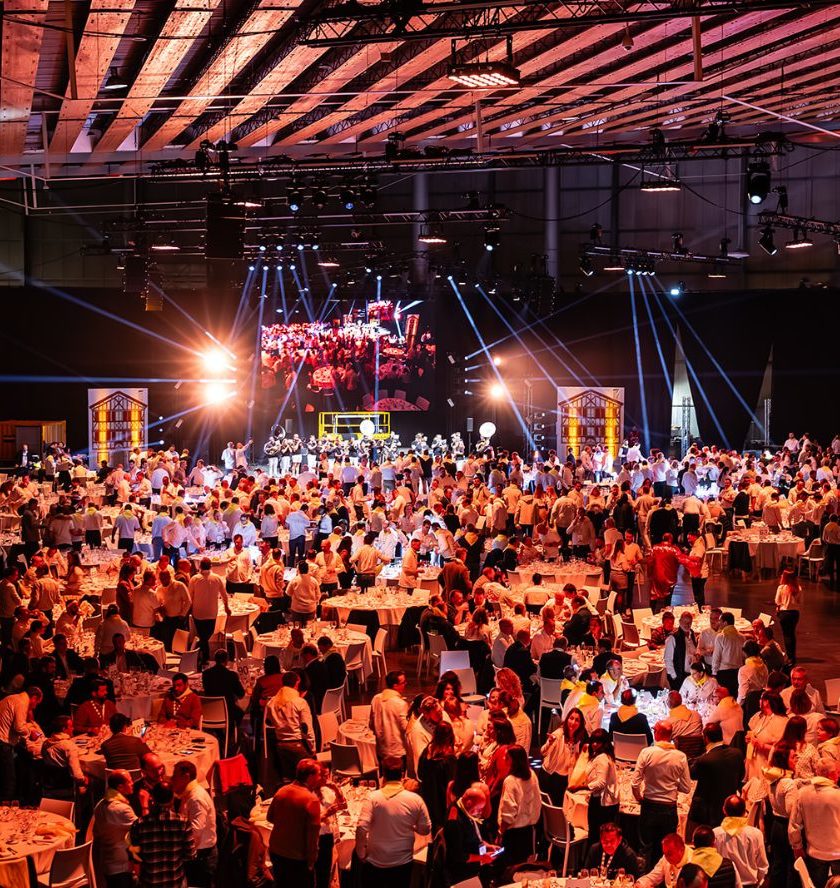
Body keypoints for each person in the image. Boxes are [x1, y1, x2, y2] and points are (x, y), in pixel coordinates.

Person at [355, 755, 432, 887]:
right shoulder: (415, 799)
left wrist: (361, 853)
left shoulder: (372, 797)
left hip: (375, 863)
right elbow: (426, 829)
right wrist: (413, 827)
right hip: (402, 863)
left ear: (383, 775)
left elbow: (361, 827)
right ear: (402, 774)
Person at [631, 720, 692, 867]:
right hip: (669, 808)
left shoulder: (647, 753)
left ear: (657, 733)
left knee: (645, 849)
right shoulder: (680, 756)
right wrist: (672, 784)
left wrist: (639, 798)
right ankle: (665, 878)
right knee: (667, 850)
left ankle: (644, 877)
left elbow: (634, 783)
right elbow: (686, 788)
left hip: (649, 805)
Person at [129, 783, 196, 888]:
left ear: (153, 799)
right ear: (172, 799)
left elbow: (135, 858)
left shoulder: (138, 824)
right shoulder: (183, 822)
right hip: (175, 881)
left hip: (149, 882)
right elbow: (190, 855)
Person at [789, 758, 840, 886]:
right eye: (837, 772)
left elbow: (794, 825)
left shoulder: (802, 793)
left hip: (814, 854)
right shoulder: (838, 795)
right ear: (831, 774)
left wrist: (797, 847)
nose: (838, 775)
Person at [687, 723, 745, 833]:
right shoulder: (737, 754)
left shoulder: (704, 760)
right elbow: (741, 775)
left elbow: (692, 775)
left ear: (706, 738)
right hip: (730, 806)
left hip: (708, 811)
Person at [171, 759, 217, 888]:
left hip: (201, 856)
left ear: (186, 777)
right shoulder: (189, 794)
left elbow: (195, 831)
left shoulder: (196, 798)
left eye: (175, 776)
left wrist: (183, 853)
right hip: (197, 854)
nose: (172, 780)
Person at [572, 728, 618, 845]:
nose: (594, 744)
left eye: (598, 742)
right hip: (601, 800)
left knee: (597, 836)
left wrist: (580, 788)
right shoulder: (601, 755)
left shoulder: (602, 758)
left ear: (604, 743)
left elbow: (601, 783)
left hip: (603, 804)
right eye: (593, 741)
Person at [92, 769, 138, 888]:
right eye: (129, 781)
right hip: (120, 865)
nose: (133, 783)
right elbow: (142, 829)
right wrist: (144, 805)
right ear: (120, 787)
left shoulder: (100, 804)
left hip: (106, 861)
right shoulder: (121, 809)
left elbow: (96, 833)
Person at [497, 745, 541, 866]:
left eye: (507, 757)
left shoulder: (511, 781)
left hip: (514, 834)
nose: (504, 759)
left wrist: (501, 832)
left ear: (514, 760)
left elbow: (508, 812)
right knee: (525, 867)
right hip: (529, 831)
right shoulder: (532, 775)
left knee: (512, 869)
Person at [712, 794, 768, 888]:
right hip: (749, 885)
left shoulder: (715, 833)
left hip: (724, 884)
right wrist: (758, 882)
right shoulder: (756, 834)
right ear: (744, 812)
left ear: (724, 810)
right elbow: (762, 865)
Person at [268, 671, 315, 781]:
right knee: (306, 780)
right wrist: (312, 748)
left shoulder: (271, 703)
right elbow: (306, 729)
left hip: (280, 745)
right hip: (298, 744)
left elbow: (270, 722)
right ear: (297, 683)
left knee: (287, 779)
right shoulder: (300, 702)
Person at [539, 707, 588, 805]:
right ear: (567, 719)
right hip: (550, 776)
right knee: (549, 808)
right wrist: (549, 743)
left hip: (563, 778)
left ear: (580, 724)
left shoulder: (577, 739)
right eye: (571, 718)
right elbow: (543, 752)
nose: (573, 722)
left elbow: (572, 760)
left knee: (561, 806)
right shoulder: (558, 735)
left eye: (577, 720)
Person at [189, 557, 230, 663]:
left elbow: (190, 596)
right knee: (206, 635)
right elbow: (224, 595)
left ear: (200, 566)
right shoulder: (217, 578)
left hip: (198, 612)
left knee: (202, 635)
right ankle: (204, 656)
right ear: (211, 566)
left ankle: (202, 656)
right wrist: (226, 607)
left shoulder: (194, 579)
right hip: (212, 612)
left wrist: (189, 609)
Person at [418, 722, 458, 830]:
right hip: (442, 799)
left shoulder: (426, 752)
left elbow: (420, 773)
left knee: (433, 827)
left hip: (427, 796)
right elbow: (452, 782)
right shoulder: (448, 758)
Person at [201, 648, 246, 728]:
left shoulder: (206, 674)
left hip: (209, 710)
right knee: (240, 713)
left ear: (215, 660)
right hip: (227, 711)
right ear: (226, 660)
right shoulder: (232, 675)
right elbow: (241, 694)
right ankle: (231, 732)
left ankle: (220, 734)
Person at [371, 670, 409, 762]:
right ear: (395, 686)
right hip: (397, 751)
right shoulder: (401, 703)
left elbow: (371, 724)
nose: (406, 684)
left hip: (381, 749)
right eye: (403, 682)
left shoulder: (376, 698)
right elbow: (406, 728)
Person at [711, 612, 744, 698]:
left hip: (724, 673)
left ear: (725, 623)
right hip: (738, 672)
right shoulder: (742, 637)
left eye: (720, 621)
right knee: (734, 696)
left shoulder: (721, 637)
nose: (718, 623)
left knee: (724, 697)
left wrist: (714, 673)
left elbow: (716, 657)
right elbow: (743, 656)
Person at [665, 611, 697, 691]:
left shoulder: (692, 634)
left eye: (689, 622)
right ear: (679, 622)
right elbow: (668, 659)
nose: (687, 624)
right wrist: (674, 677)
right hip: (679, 677)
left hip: (691, 676)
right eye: (685, 622)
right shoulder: (673, 638)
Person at [775, 567, 802, 664]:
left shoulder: (781, 588)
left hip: (785, 613)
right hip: (795, 613)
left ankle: (790, 656)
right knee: (792, 634)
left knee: (786, 635)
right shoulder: (798, 588)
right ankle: (793, 655)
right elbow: (800, 602)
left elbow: (777, 601)